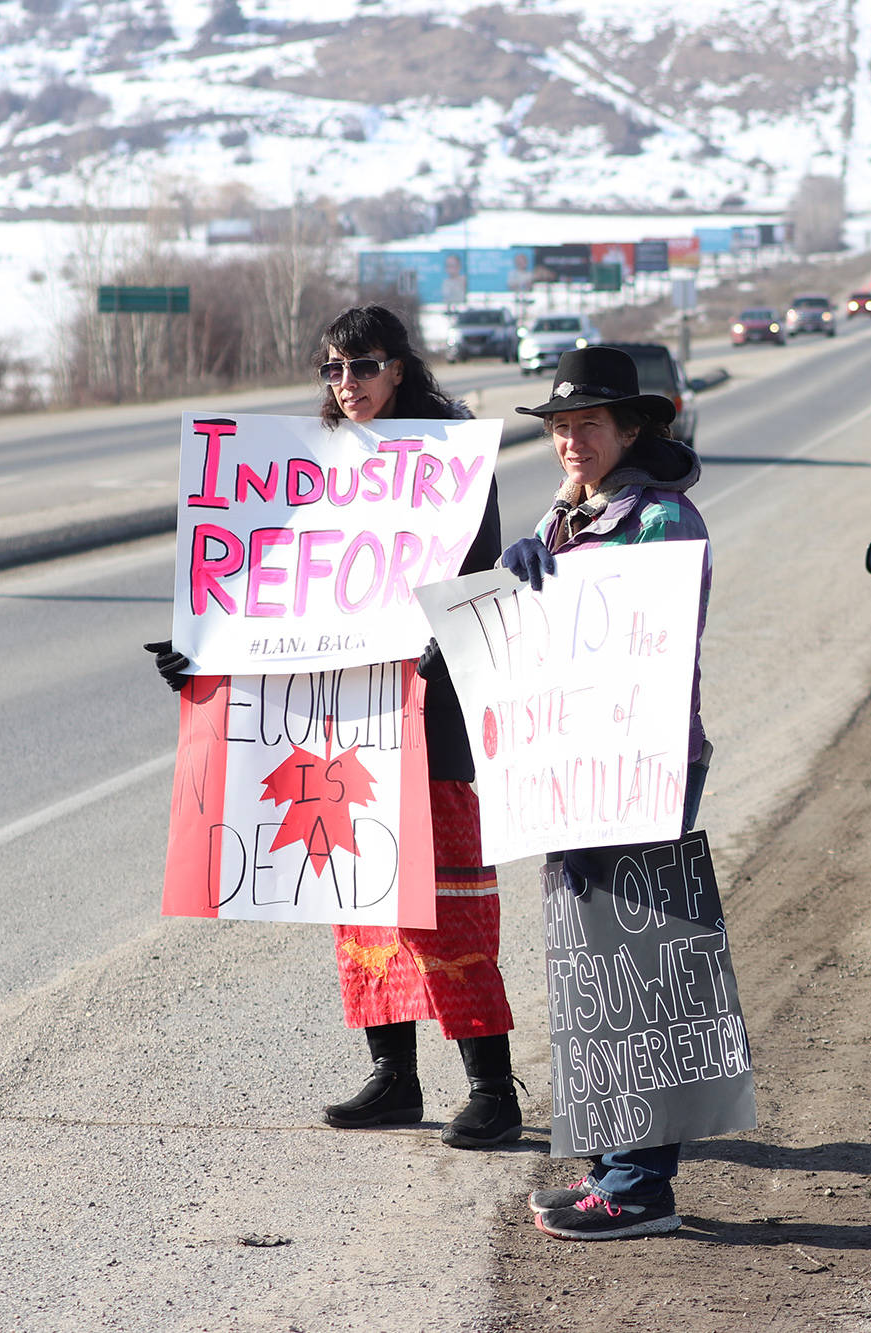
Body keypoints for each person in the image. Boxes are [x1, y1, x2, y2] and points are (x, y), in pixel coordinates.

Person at [147, 305, 523, 1149]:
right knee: (359, 895)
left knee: (446, 899)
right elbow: (275, 582)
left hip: (430, 713)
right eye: (332, 370)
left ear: (401, 369)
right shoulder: (309, 465)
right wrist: (202, 649)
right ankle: (394, 1077)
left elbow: (479, 583)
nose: (344, 385)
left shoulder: (451, 460)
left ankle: (493, 1088)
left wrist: (441, 640)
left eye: (361, 367)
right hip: (342, 715)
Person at [501, 345, 713, 1241]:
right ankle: (609, 1167)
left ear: (631, 429)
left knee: (637, 965)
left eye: (588, 423)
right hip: (576, 760)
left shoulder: (662, 520)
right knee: (591, 965)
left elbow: (647, 622)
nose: (570, 440)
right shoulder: (567, 518)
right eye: (558, 426)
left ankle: (640, 1185)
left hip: (642, 761)